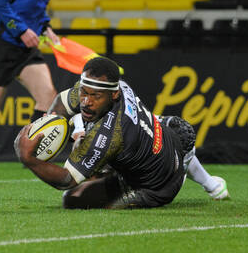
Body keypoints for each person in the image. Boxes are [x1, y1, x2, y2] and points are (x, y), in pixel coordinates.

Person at [14, 57, 230, 209]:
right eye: (84, 93)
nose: (87, 102)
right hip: (163, 139)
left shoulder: (109, 135)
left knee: (72, 199)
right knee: (173, 127)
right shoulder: (112, 85)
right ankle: (203, 177)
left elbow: (67, 179)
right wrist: (53, 123)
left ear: (114, 95)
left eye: (95, 96)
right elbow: (63, 102)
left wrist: (30, 159)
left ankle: (180, 173)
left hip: (156, 187)